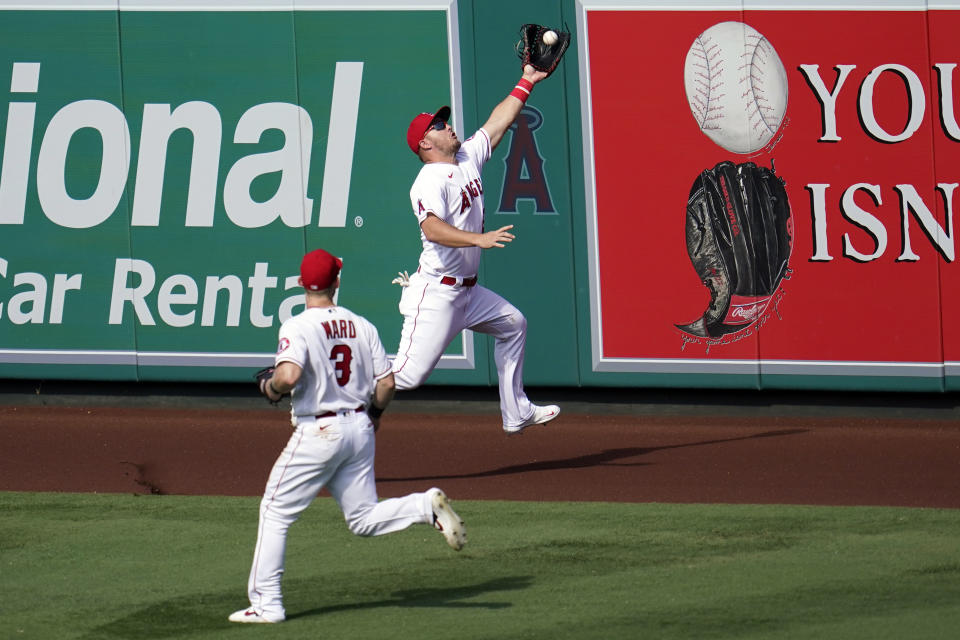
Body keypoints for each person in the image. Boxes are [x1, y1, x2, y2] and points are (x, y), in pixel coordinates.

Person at [229, 248, 466, 624]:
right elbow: (386, 383)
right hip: (358, 426)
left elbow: (288, 378)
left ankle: (267, 604)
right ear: (336, 282)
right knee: (363, 518)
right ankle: (424, 507)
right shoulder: (361, 325)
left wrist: (270, 388)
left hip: (319, 430)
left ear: (300, 285)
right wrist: (374, 414)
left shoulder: (297, 325)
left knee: (275, 512)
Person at [393, 64, 560, 435]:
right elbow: (432, 228)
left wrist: (527, 80)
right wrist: (477, 239)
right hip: (437, 291)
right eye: (438, 126)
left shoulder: (466, 158)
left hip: (467, 291)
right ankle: (319, 392)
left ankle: (515, 412)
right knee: (404, 377)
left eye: (444, 121)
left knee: (514, 324)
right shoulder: (428, 180)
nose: (447, 126)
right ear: (424, 144)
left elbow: (497, 123)